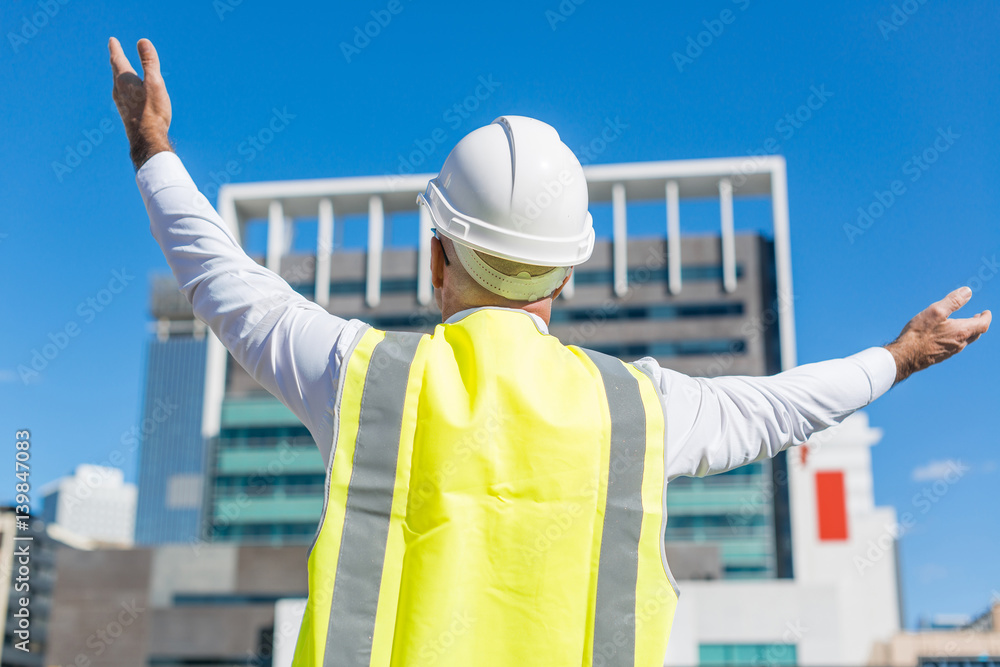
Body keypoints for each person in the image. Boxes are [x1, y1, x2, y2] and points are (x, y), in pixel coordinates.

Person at [109, 37, 990, 667]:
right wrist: (900, 355)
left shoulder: (365, 376)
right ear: (566, 275)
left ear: (436, 256)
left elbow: (223, 282)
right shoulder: (636, 409)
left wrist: (153, 146)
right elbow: (777, 407)